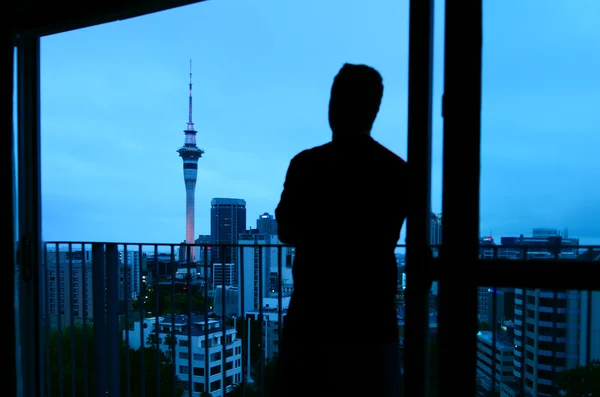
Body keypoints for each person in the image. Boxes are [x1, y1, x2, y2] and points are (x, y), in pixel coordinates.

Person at [273, 63, 408, 397]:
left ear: (333, 106)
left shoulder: (305, 165)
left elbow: (286, 229)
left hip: (312, 319)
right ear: (373, 110)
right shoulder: (397, 171)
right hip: (372, 321)